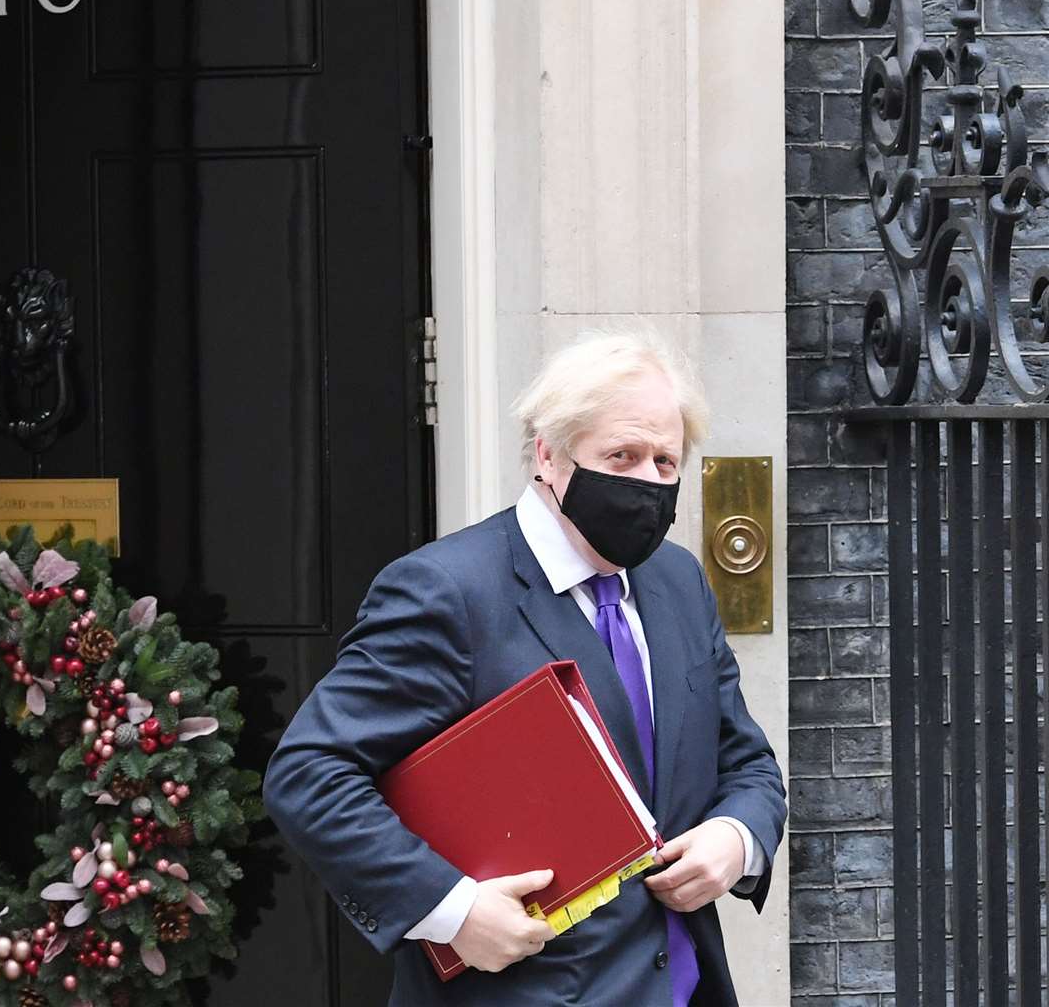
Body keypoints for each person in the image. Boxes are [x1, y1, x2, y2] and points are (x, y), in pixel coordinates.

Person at [263, 331, 787, 1005]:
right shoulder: (447, 592)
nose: (648, 482)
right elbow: (310, 774)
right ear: (548, 454)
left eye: (665, 461)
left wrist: (736, 839)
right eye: (621, 455)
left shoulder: (678, 582)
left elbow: (748, 764)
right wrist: (452, 911)